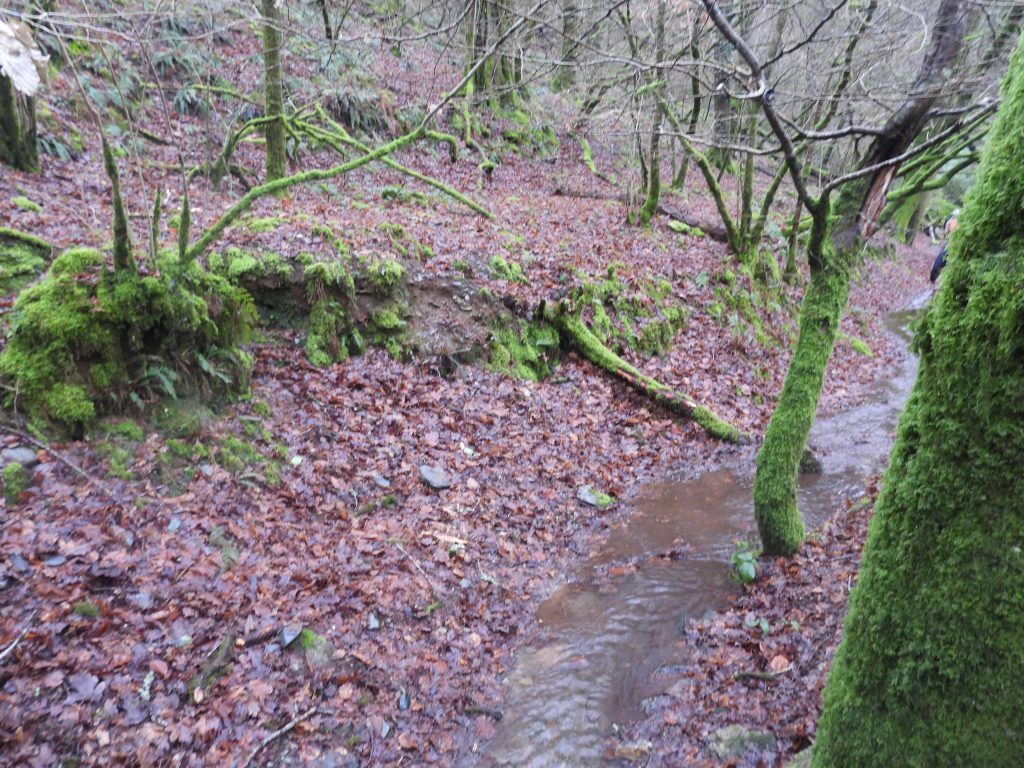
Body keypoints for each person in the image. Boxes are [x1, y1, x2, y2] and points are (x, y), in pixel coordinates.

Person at [929, 209, 959, 282]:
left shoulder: (950, 222)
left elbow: (945, 233)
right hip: (956, 245)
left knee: (941, 256)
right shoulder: (960, 223)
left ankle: (935, 275)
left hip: (948, 243)